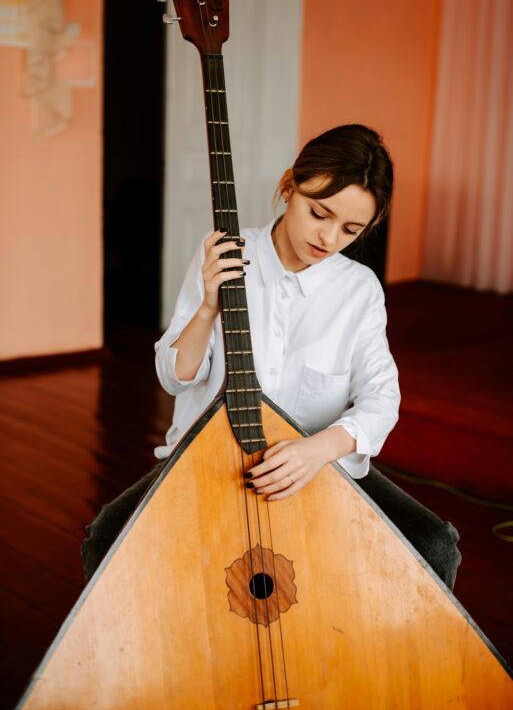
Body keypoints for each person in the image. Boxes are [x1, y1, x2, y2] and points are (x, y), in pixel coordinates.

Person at [82, 124, 461, 590]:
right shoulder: (227, 254)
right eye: (319, 213)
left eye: (351, 229)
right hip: (212, 460)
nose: (328, 237)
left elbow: (381, 400)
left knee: (434, 546)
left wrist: (318, 449)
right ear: (288, 187)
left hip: (312, 467)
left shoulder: (359, 290)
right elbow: (175, 378)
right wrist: (206, 308)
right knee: (106, 539)